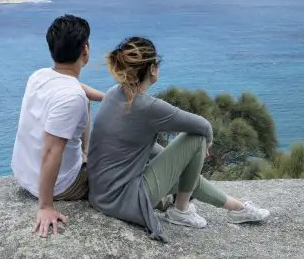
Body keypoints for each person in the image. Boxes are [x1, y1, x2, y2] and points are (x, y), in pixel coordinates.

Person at [87, 36, 270, 242]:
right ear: (153, 69)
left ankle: (238, 208)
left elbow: (140, 149)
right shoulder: (147, 106)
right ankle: (181, 210)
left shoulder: (113, 93)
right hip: (125, 199)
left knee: (183, 169)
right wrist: (204, 145)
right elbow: (203, 126)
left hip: (100, 194)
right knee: (196, 138)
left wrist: (182, 164)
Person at [10, 14, 106, 238]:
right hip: (62, 186)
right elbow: (51, 151)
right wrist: (45, 206)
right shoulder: (72, 98)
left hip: (24, 173)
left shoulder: (39, 75)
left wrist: (107, 97)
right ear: (85, 50)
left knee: (85, 100)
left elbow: (75, 86)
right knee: (118, 159)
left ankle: (85, 153)